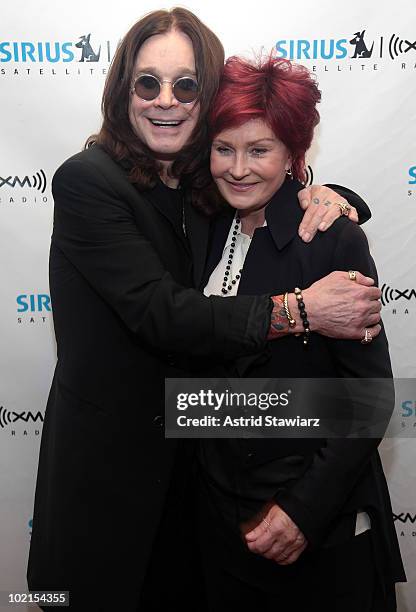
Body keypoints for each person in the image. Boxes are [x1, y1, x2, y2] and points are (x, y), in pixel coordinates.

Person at [27, 8, 383, 611]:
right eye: (148, 82)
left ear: (206, 95)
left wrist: (328, 198)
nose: (165, 100)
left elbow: (367, 400)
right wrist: (299, 311)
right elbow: (162, 313)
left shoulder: (205, 191)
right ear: (123, 90)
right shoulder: (88, 182)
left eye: (186, 84)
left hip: (206, 506)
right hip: (111, 490)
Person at [198, 55, 406, 612]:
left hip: (318, 537)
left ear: (294, 155)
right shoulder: (201, 229)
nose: (238, 168)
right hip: (222, 533)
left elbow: (370, 399)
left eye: (259, 150)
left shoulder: (330, 238)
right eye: (224, 148)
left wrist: (301, 511)